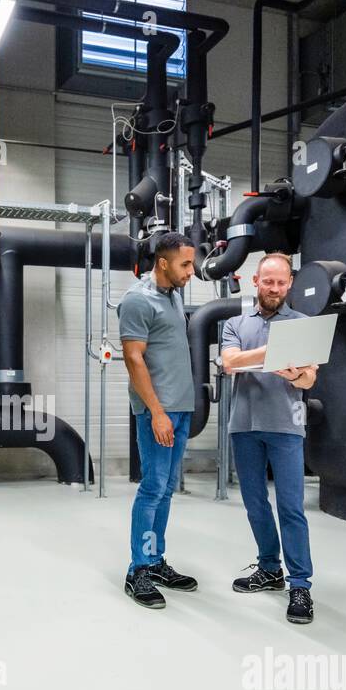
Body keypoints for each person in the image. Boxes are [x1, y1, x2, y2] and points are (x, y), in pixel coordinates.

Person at [219, 252, 318, 624]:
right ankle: (268, 569)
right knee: (255, 504)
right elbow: (229, 362)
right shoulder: (234, 323)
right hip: (244, 426)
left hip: (286, 426)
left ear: (289, 284)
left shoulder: (304, 325)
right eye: (268, 281)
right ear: (255, 281)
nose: (274, 288)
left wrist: (291, 374)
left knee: (291, 507)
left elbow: (309, 378)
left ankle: (300, 585)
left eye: (281, 282)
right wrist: (274, 353)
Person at [118, 232, 200, 609]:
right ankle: (139, 570)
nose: (191, 271)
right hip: (159, 411)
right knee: (152, 487)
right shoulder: (137, 299)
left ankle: (155, 560)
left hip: (180, 408)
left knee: (166, 489)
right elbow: (134, 360)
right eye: (185, 264)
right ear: (163, 263)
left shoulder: (174, 295)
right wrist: (157, 412)